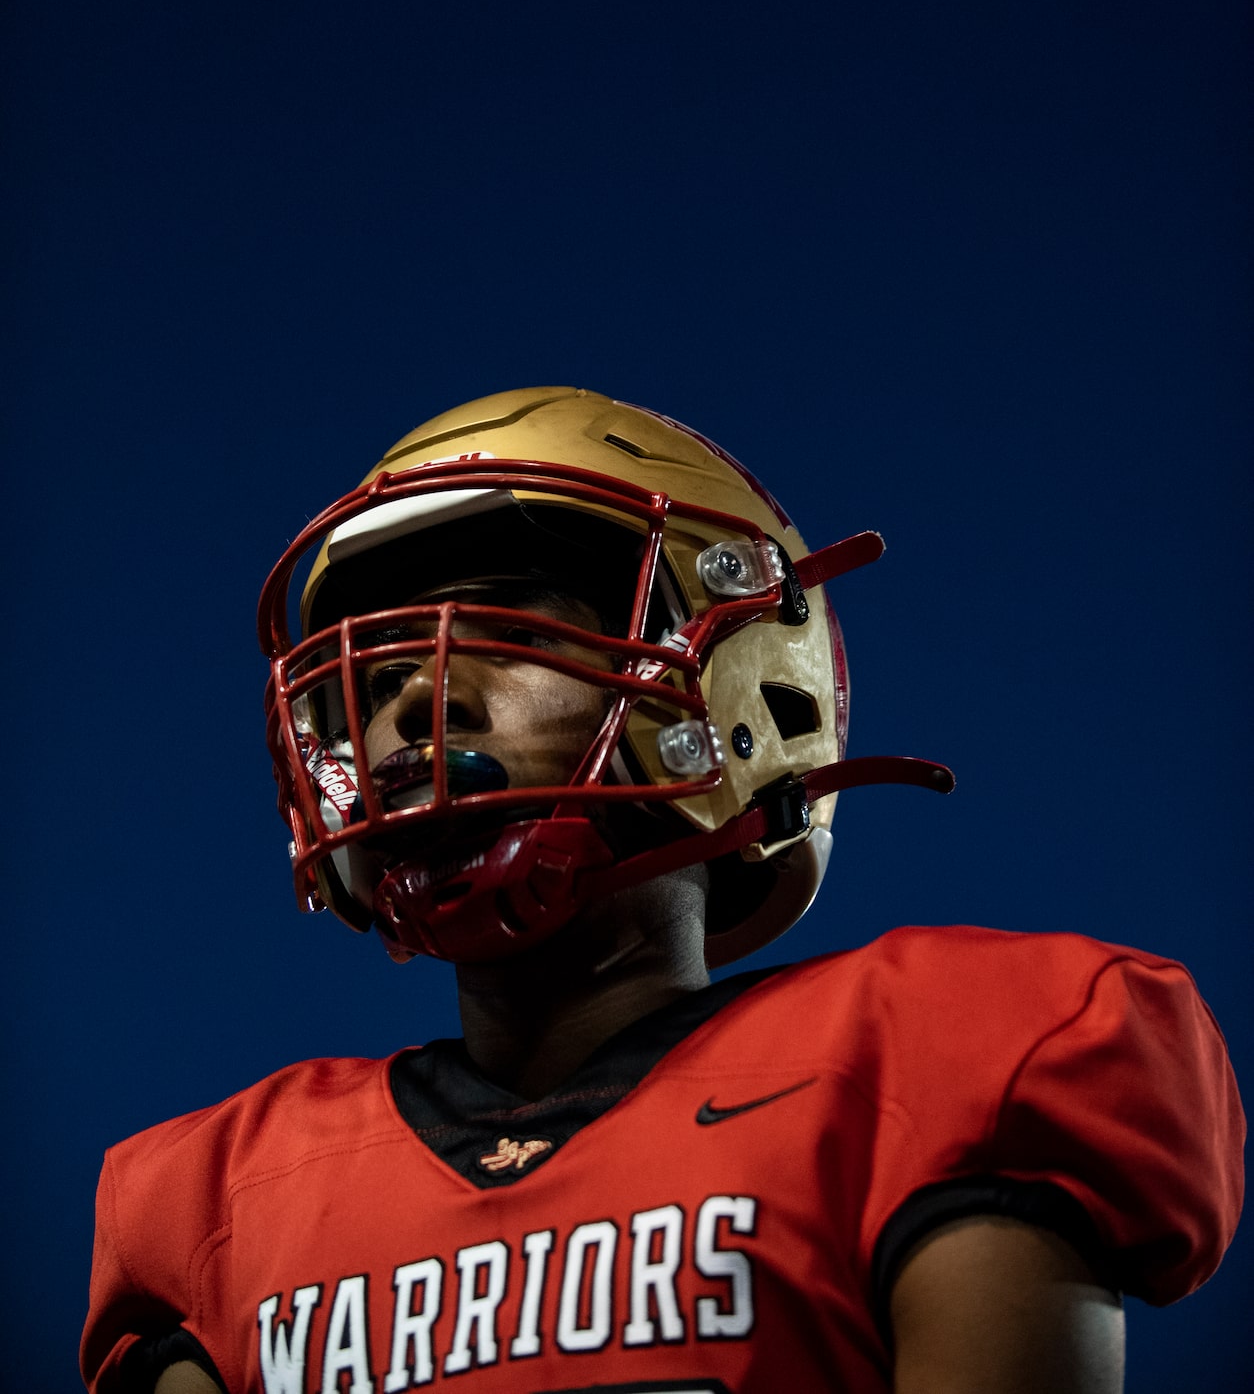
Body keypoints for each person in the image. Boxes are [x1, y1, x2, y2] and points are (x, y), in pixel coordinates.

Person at [82, 386, 1243, 1394]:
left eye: (502, 631)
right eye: (378, 678)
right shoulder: (224, 1202)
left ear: (724, 681)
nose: (414, 706)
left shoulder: (931, 1071)